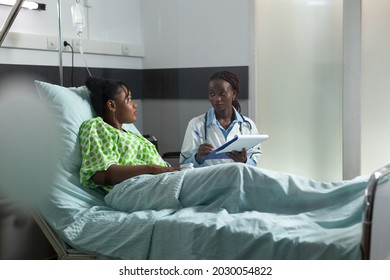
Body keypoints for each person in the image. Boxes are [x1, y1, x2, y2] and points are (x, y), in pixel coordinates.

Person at [79, 77, 177, 192]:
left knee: (200, 176)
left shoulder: (132, 135)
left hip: (162, 183)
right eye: (129, 99)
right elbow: (100, 175)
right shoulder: (96, 126)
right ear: (112, 105)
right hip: (133, 189)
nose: (135, 104)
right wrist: (151, 169)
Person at [180, 71, 262, 168]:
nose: (217, 99)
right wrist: (198, 158)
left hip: (238, 180)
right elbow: (184, 164)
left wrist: (244, 161)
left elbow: (254, 162)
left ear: (234, 94)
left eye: (222, 93)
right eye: (212, 94)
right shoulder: (196, 124)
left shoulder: (248, 125)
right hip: (209, 181)